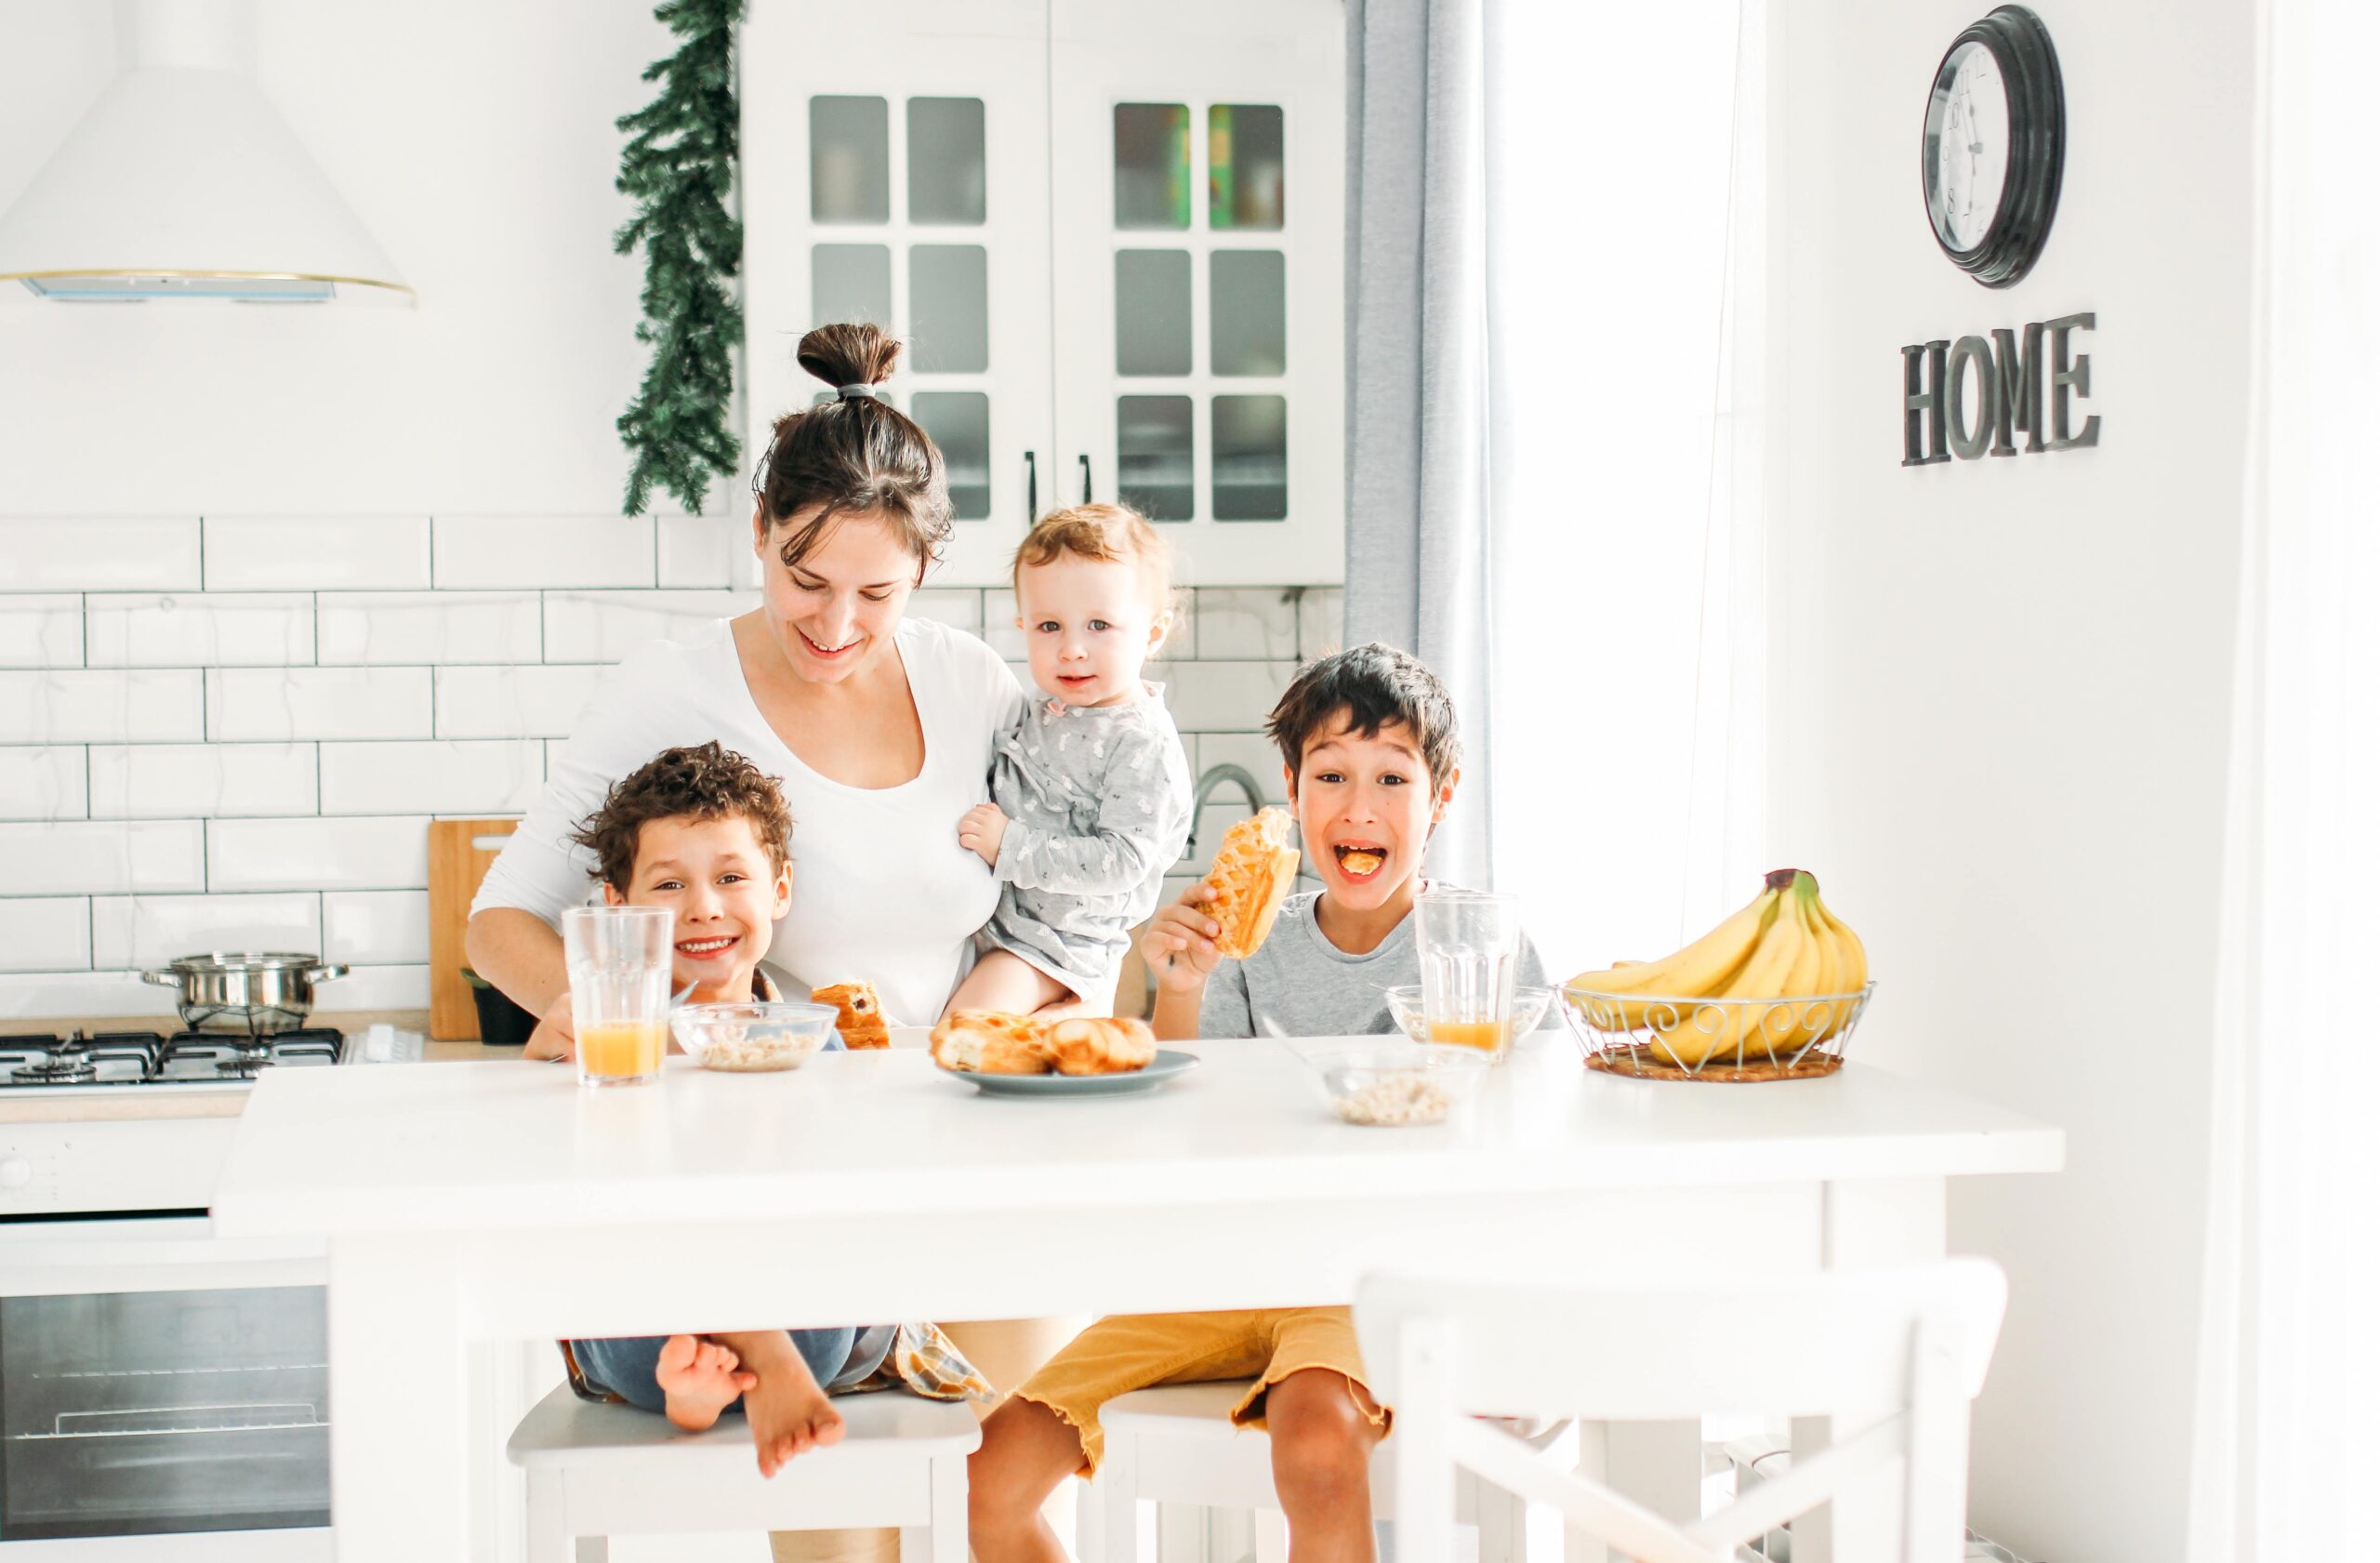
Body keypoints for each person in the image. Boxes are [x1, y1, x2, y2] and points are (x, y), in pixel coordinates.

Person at [464, 323, 1076, 1560]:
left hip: (978, 1162)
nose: (839, 622)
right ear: (760, 533)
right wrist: (602, 1012)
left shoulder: (973, 686)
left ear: (923, 575)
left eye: (877, 593)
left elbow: (1065, 906)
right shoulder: (671, 687)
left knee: (1001, 1504)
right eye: (806, 579)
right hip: (801, 1190)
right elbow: (500, 922)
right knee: (841, 1529)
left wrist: (984, 1015)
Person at [966, 643, 1548, 1563]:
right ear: (1292, 788)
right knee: (987, 1475)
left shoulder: (1477, 949)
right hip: (1224, 1269)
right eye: (1331, 775)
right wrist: (1180, 986)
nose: (1359, 807)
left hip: (1362, 1281)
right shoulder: (1243, 941)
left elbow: (1530, 1134)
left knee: (1316, 1448)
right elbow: (1192, 1125)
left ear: (1441, 795)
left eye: (1392, 777)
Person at [551, 742, 992, 1477]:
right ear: (617, 907)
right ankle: (733, 1367)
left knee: (825, 1313)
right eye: (669, 885)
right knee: (624, 1322)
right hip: (647, 1325)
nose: (704, 908)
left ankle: (699, 1384)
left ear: (779, 889)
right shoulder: (603, 1041)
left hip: (797, 1325)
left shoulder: (819, 1045)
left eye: (731, 877)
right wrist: (555, 1062)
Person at [948, 504, 1194, 1015]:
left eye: (1099, 624)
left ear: (1152, 633)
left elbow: (1124, 861)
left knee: (964, 1032)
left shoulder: (1142, 741)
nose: (1072, 649)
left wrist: (1010, 845)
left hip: (1054, 946)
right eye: (1049, 627)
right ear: (1023, 626)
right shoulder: (1049, 707)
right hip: (1009, 928)